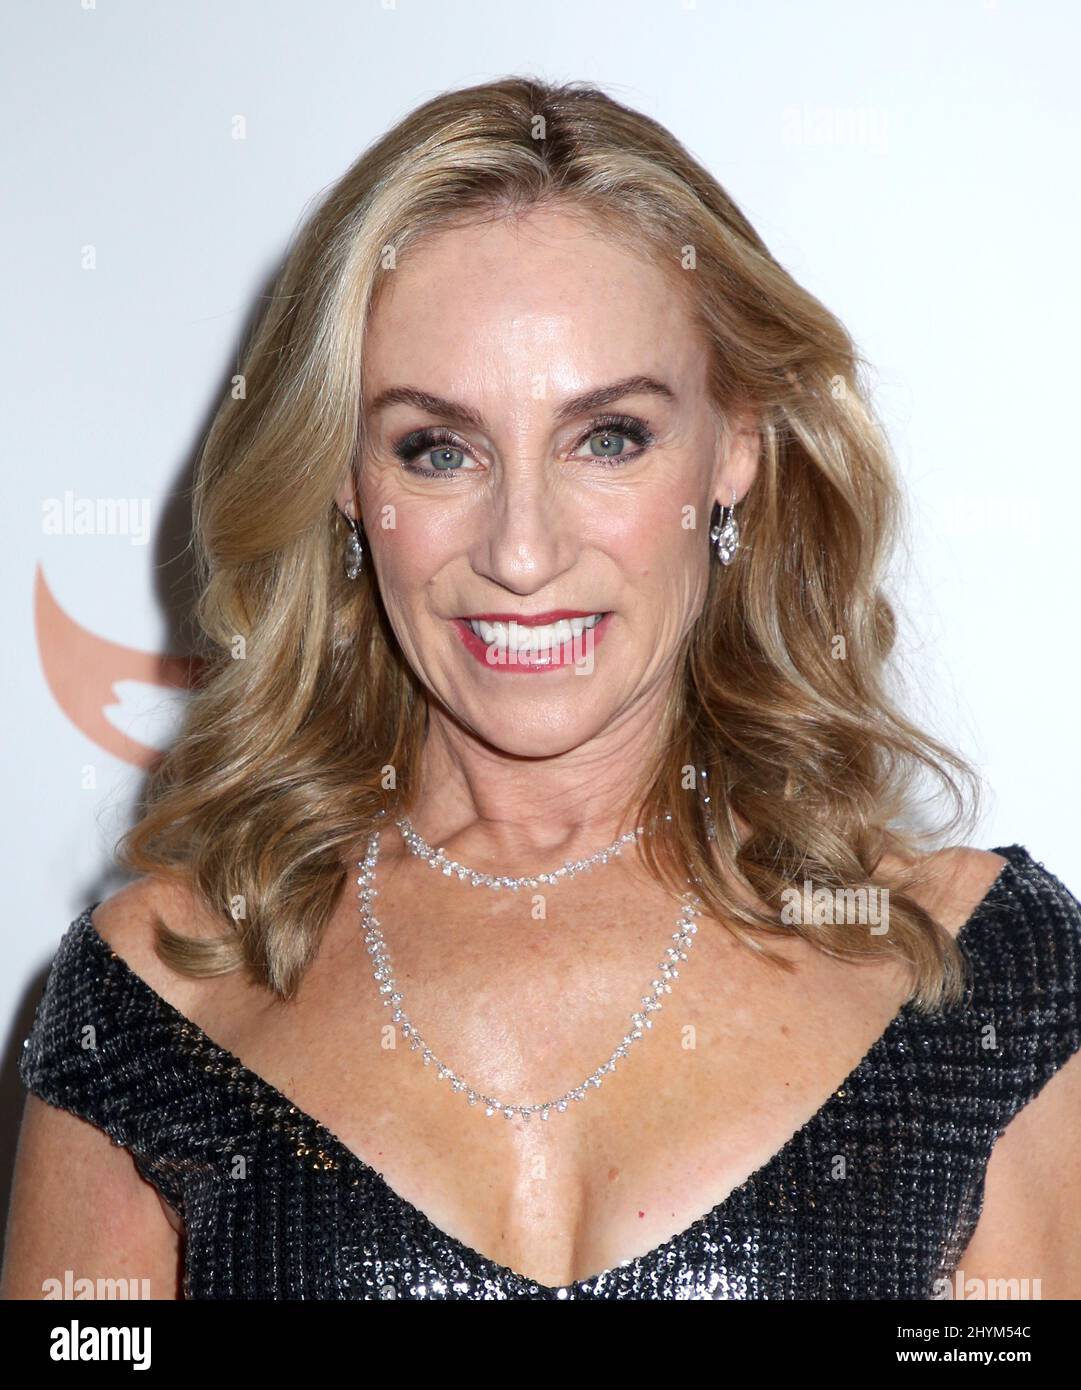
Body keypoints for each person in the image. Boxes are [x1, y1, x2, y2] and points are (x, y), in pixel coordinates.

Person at [4, 76, 1080, 1302]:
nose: (521, 552)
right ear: (348, 482)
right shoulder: (158, 992)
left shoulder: (972, 974)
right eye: (437, 448)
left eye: (608, 436)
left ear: (737, 445)